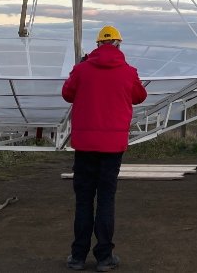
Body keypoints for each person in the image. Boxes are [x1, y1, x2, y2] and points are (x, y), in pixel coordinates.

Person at [62, 25, 148, 271]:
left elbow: (67, 93)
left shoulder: (81, 70)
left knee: (84, 201)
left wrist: (78, 69)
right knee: (106, 200)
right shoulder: (128, 72)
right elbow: (140, 96)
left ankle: (77, 257)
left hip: (85, 146)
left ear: (98, 45)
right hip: (113, 148)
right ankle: (104, 257)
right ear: (119, 45)